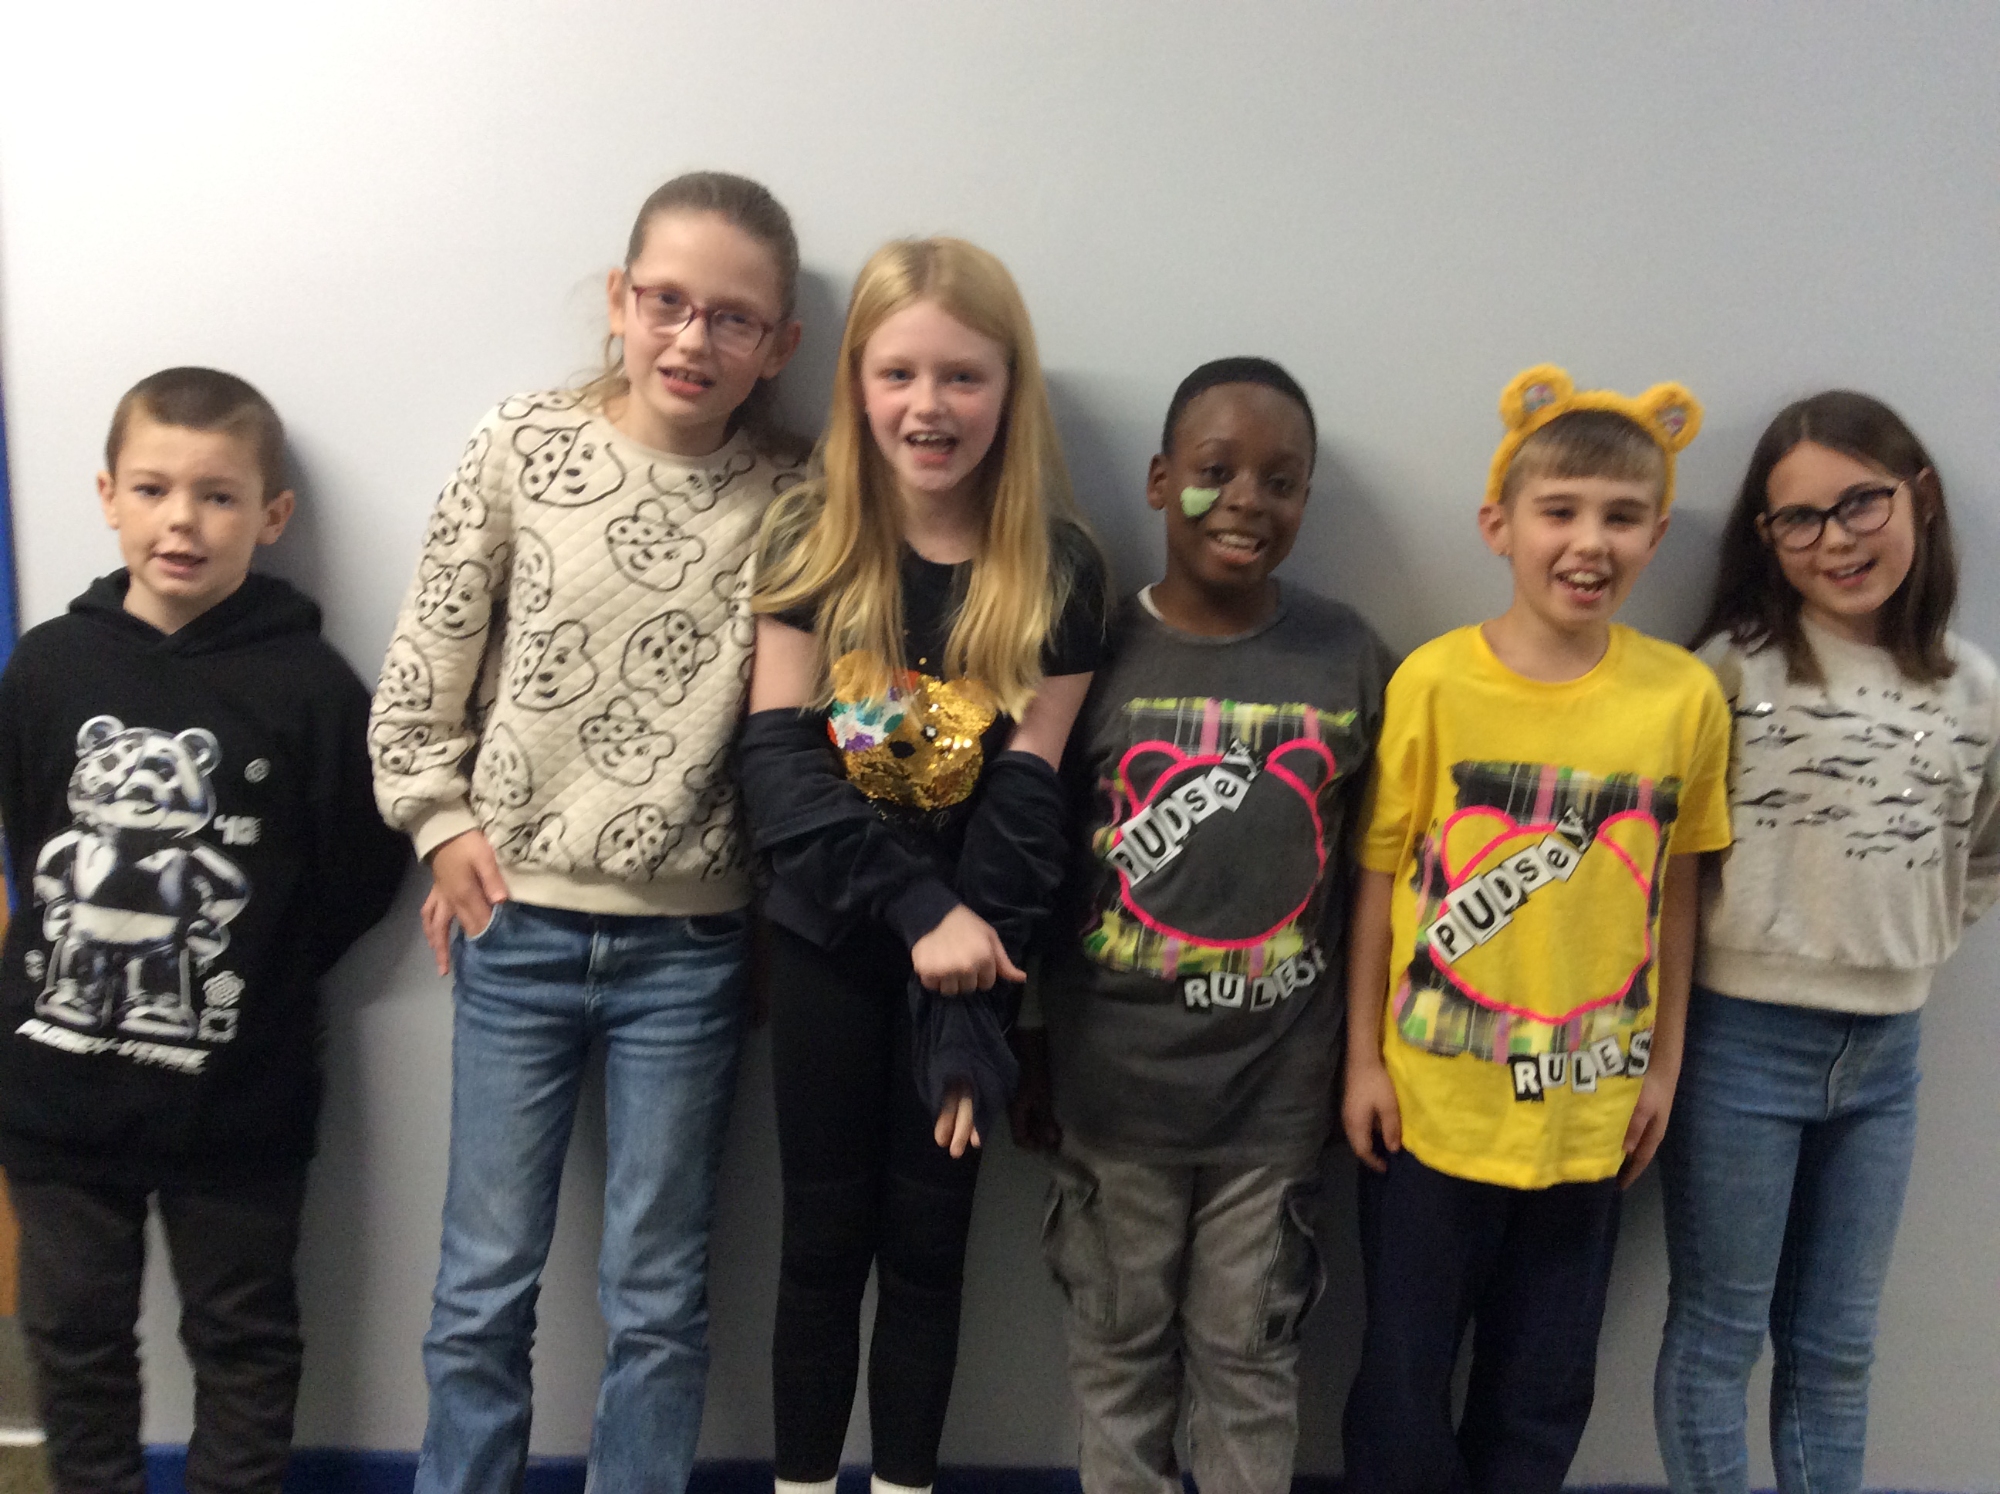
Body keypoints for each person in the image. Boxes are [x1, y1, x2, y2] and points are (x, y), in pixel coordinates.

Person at [369, 171, 806, 1494]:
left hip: (693, 950)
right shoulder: (522, 445)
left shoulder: (797, 495)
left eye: (733, 318)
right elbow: (424, 666)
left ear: (780, 345)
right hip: (515, 928)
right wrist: (440, 822)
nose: (692, 339)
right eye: (666, 301)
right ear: (618, 300)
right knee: (483, 1282)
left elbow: (805, 729)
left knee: (659, 1294)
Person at [739, 236, 1106, 1494]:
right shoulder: (809, 535)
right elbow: (777, 765)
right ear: (856, 383)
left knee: (928, 1248)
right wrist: (912, 908)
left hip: (974, 959)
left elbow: (1027, 789)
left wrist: (969, 1007)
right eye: (897, 373)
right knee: (818, 1247)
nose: (928, 406)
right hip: (831, 944)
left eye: (962, 376)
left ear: (1009, 388)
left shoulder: (1059, 567)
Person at [0, 366, 408, 1494]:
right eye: (153, 489)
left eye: (218, 495)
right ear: (107, 497)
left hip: (239, 1099)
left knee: (244, 1341)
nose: (182, 521)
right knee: (73, 1339)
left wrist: (259, 964)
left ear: (272, 515)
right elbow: (31, 833)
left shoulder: (313, 689)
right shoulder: (48, 667)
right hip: (58, 1096)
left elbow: (359, 867)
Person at [1340, 365, 1734, 1494]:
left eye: (1621, 516)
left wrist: (1662, 1067)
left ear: (1657, 535)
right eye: (1558, 511)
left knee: (1543, 1385)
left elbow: (1675, 892)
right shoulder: (1432, 683)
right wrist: (1361, 1058)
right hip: (1431, 1109)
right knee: (1403, 1378)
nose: (1588, 542)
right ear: (1497, 525)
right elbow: (1379, 876)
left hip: (1589, 1112)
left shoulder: (1682, 700)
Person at [1017, 356, 1392, 1494]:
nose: (1245, 501)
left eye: (1281, 481)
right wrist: (1029, 1038)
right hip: (1111, 1093)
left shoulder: (1346, 658)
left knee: (1247, 1361)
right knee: (1118, 1358)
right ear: (1156, 480)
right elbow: (1032, 863)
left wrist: (1359, 1059)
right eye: (1214, 471)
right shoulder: (1089, 655)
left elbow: (1381, 874)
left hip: (1275, 1102)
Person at [1653, 392, 2000, 1494]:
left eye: (1860, 503)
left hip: (1887, 1057)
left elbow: (1985, 850)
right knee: (1720, 1332)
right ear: (1765, 538)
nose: (1836, 539)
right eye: (1798, 519)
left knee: (1838, 1347)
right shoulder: (1730, 671)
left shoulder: (1973, 687)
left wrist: (1918, 935)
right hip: (1738, 1045)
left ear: (1919, 498)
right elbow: (1667, 864)